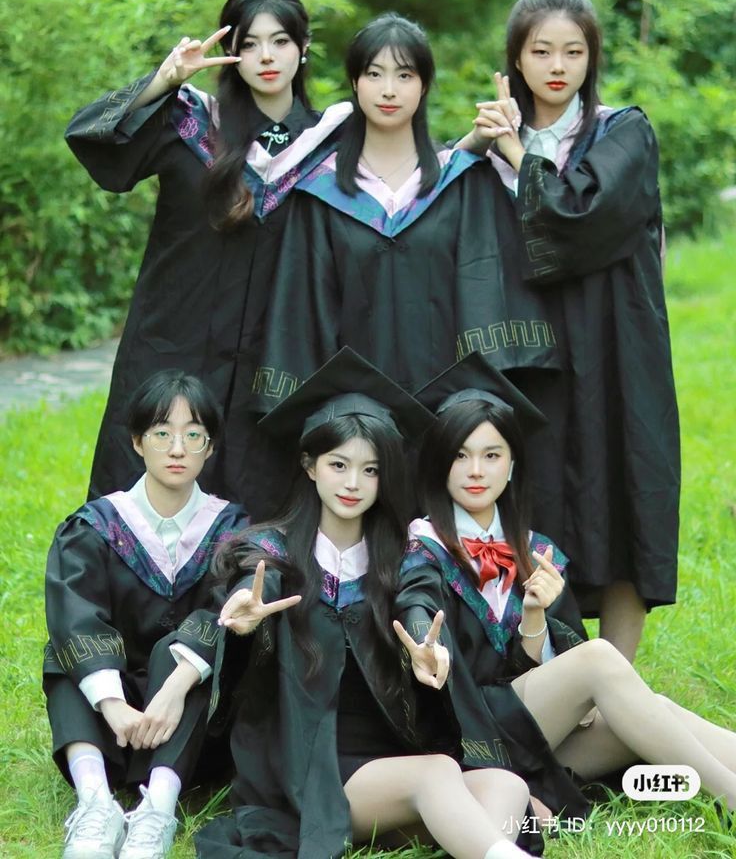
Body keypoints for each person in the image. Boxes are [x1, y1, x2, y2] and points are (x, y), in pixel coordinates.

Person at [196, 348, 534, 859]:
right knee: (439, 772)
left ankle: (471, 843)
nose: (353, 484)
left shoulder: (401, 556)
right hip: (316, 773)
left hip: (393, 763)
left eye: (370, 470)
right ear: (310, 466)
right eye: (339, 465)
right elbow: (249, 590)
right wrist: (243, 622)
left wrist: (426, 648)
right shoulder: (272, 553)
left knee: (506, 788)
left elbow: (417, 601)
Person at [65, 0, 351, 518]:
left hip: (272, 359)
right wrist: (162, 82)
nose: (265, 56)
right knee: (149, 481)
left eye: (281, 41)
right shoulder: (187, 122)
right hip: (174, 342)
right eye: (248, 43)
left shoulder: (333, 145)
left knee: (255, 493)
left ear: (304, 48)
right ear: (228, 53)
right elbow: (92, 140)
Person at [455, 0, 679, 660]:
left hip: (616, 349)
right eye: (541, 50)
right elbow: (426, 213)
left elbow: (580, 219)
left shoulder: (623, 132)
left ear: (592, 58)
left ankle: (619, 684)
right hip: (533, 357)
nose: (558, 65)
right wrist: (476, 143)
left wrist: (518, 152)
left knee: (623, 491)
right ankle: (554, 674)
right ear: (516, 61)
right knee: (542, 496)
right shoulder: (489, 145)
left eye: (574, 51)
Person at [410, 355, 736, 814]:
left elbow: (571, 694)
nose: (476, 471)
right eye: (460, 456)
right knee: (601, 658)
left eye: (491, 455)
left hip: (535, 739)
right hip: (469, 742)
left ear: (512, 464)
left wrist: (535, 621)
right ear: (440, 464)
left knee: (653, 707)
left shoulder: (535, 551)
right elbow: (416, 607)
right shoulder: (421, 551)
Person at [249, 14, 564, 456]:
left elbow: (485, 281)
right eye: (374, 74)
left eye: (405, 74)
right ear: (355, 84)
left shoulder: (461, 182)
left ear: (424, 85)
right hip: (354, 419)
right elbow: (303, 309)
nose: (389, 90)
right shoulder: (320, 194)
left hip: (448, 411)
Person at [43, 370, 249, 859]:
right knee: (64, 650)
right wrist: (113, 703)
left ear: (210, 447)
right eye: (162, 433)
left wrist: (176, 688)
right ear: (138, 442)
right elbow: (76, 614)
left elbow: (225, 612)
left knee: (197, 649)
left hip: (187, 726)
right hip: (108, 715)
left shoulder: (231, 529)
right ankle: (95, 803)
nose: (177, 448)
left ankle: (157, 807)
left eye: (192, 434)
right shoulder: (96, 527)